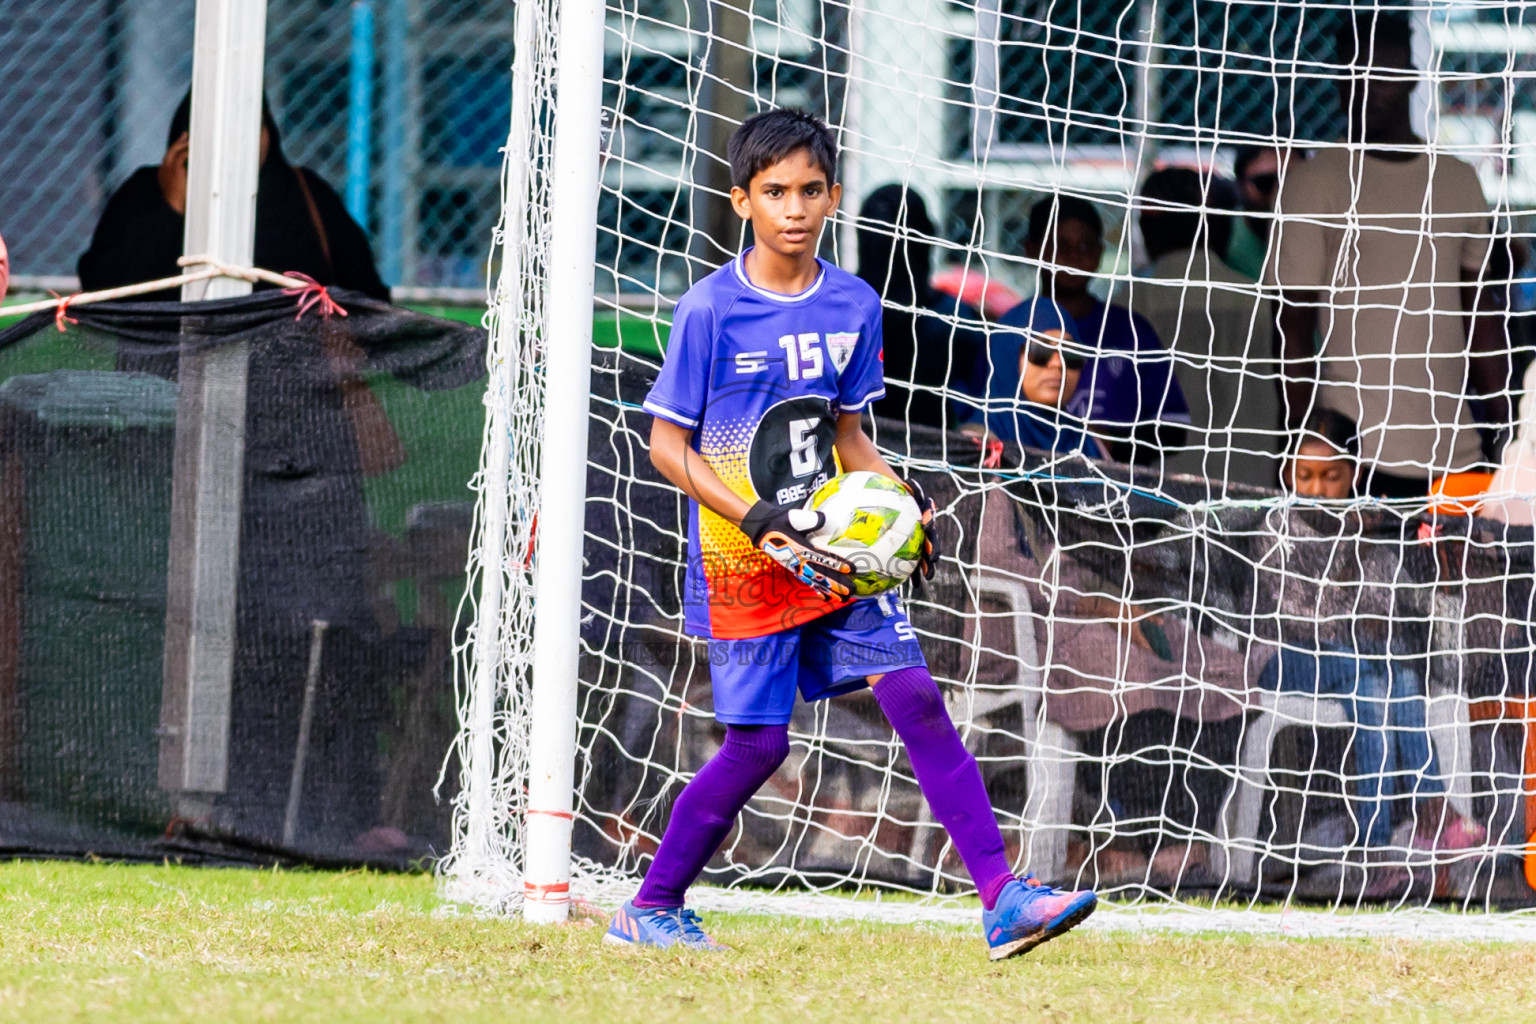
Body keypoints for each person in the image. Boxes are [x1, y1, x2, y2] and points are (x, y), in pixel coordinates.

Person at [607, 108, 1097, 955]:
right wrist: (755, 517)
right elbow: (665, 445)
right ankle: (650, 905)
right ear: (741, 201)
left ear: (832, 197)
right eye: (773, 192)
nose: (792, 208)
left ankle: (1003, 900)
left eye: (807, 190)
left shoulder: (852, 303)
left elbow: (846, 431)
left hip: (833, 554)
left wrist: (897, 504)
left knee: (916, 697)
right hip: (745, 561)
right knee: (758, 746)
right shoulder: (709, 311)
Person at [1268, 9, 1506, 499]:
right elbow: (1290, 326)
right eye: (1349, 73)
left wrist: (1506, 432)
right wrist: (1301, 441)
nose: (1360, 86)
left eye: (1378, 74)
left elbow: (1482, 317)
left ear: (1408, 79)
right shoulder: (1314, 182)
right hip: (1350, 458)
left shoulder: (1457, 182)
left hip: (1455, 454)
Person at [1256, 408, 1485, 888]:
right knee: (1381, 668)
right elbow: (1303, 619)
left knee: (1384, 684)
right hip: (1285, 660)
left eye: (1331, 476)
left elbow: (1390, 608)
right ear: (1288, 473)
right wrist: (1351, 550)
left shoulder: (1369, 526)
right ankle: (1430, 808)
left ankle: (1374, 848)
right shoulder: (1277, 527)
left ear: (1354, 474)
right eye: (1305, 476)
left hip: (1355, 667)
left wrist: (1367, 544)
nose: (1316, 488)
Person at [78, 91, 389, 302]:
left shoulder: (304, 194)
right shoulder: (145, 191)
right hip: (160, 378)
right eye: (219, 129)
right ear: (187, 138)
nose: (235, 143)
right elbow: (102, 292)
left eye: (251, 127)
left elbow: (366, 298)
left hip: (295, 385)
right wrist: (172, 209)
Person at [1005, 194, 1189, 468]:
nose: (1073, 255)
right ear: (1032, 249)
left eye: (1085, 245)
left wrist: (1112, 440)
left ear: (1100, 253)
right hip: (1030, 487)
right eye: (1060, 245)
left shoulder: (1131, 332)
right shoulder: (1011, 330)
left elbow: (1173, 429)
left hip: (1121, 492)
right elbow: (983, 421)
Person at [1129, 167, 1281, 491]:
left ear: (1148, 228)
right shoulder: (1258, 300)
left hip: (1154, 493)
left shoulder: (1127, 302)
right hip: (1249, 484)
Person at [856, 184, 986, 432]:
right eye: (879, 240)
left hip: (933, 451)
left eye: (898, 240)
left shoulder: (952, 319)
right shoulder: (953, 316)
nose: (888, 252)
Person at [959, 295, 1105, 459]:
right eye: (1041, 350)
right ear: (1006, 358)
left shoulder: (1088, 443)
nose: (1057, 363)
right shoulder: (977, 440)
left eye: (1070, 354)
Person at [1225, 145, 1289, 281]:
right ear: (1239, 185)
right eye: (1264, 183)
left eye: (1291, 180)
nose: (1279, 193)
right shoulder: (1222, 239)